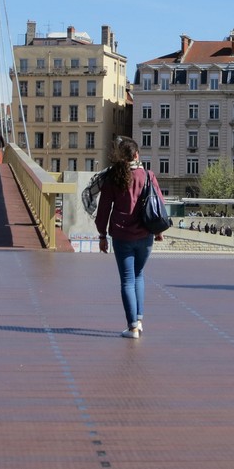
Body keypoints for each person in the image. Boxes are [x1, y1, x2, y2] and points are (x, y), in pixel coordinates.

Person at [94, 137, 163, 339]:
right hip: (145, 234)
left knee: (127, 279)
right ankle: (138, 321)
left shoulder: (112, 177)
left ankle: (132, 326)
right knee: (139, 274)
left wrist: (101, 235)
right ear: (136, 155)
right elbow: (159, 203)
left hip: (122, 235)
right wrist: (158, 231)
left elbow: (104, 209)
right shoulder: (148, 175)